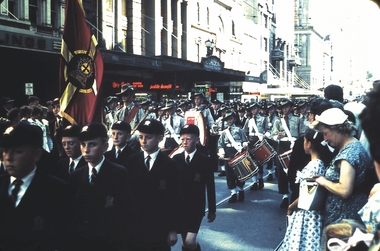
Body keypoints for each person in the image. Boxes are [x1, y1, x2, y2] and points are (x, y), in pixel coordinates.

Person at [0, 123, 70, 250]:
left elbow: (63, 239)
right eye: (5, 151)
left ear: (36, 154)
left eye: (18, 151)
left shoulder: (57, 189)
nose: (8, 158)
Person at [70, 122, 132, 250]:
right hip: (82, 242)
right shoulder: (76, 175)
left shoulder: (119, 173)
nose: (86, 150)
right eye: (83, 144)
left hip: (109, 242)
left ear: (105, 146)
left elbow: (125, 212)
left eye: (92, 144)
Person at [312, 108, 373, 227]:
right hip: (348, 216)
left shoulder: (348, 154)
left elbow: (345, 190)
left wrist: (323, 181)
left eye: (326, 133)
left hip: (343, 219)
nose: (324, 139)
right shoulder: (354, 146)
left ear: (336, 129)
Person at [126, 119, 180, 251]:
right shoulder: (131, 161)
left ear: (160, 138)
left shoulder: (170, 165)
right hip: (135, 224)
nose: (143, 141)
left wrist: (173, 229)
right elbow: (125, 196)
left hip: (159, 226)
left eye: (148, 137)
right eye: (141, 137)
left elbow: (175, 199)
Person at [280, 128, 331, 251]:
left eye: (304, 141)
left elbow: (307, 194)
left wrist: (291, 206)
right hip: (311, 211)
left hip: (307, 213)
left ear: (309, 144)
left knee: (303, 242)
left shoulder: (314, 166)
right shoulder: (319, 164)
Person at [172, 124, 216, 251]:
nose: (185, 143)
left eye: (189, 139)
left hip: (196, 207)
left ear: (197, 140)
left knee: (190, 242)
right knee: (185, 243)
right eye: (182, 139)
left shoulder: (205, 160)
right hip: (180, 207)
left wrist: (212, 210)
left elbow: (210, 186)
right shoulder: (176, 159)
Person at [272, 99, 304, 208]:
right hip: (282, 146)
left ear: (291, 107)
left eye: (286, 107)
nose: (285, 109)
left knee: (295, 170)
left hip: (295, 145)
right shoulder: (277, 121)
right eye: (282, 107)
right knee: (281, 172)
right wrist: (277, 136)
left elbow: (302, 134)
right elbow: (273, 135)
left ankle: (294, 194)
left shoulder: (298, 119)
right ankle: (284, 196)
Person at [218, 111, 249, 203]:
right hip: (228, 153)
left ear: (234, 119)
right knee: (229, 174)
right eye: (227, 119)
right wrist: (221, 153)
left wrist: (245, 145)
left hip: (238, 152)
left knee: (240, 173)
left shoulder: (240, 130)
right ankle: (233, 193)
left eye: (231, 118)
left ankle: (240, 190)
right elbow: (220, 144)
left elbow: (245, 140)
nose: (229, 121)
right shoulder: (224, 133)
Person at [244, 102, 268, 190]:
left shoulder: (264, 119)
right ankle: (254, 182)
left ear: (258, 109)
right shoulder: (248, 120)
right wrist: (245, 141)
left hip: (259, 140)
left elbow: (267, 130)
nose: (254, 110)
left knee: (259, 162)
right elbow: (245, 131)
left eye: (255, 108)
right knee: (251, 162)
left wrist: (265, 135)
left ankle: (260, 179)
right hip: (251, 141)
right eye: (252, 109)